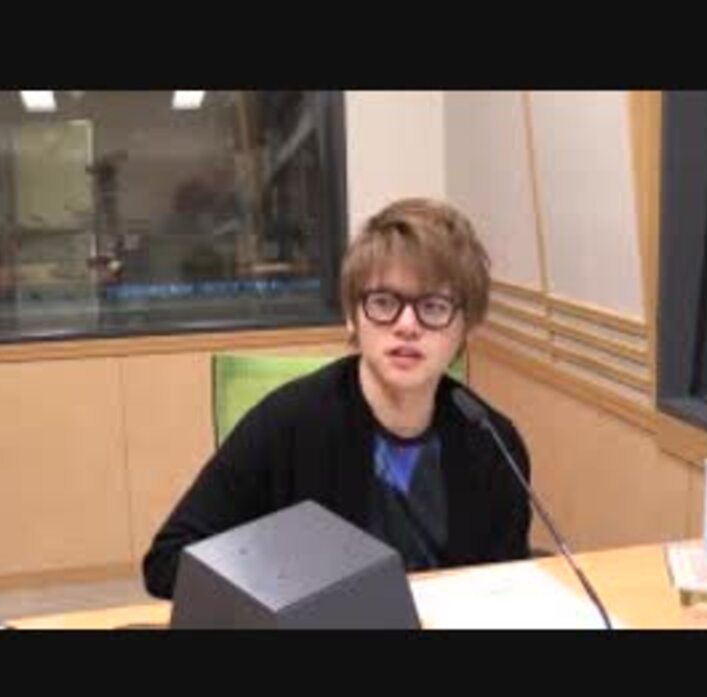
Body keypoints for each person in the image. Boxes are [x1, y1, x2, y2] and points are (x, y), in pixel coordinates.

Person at [142, 197, 533, 598]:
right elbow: (168, 562)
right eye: (384, 302)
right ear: (351, 316)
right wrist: (287, 587)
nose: (407, 325)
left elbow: (504, 587)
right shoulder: (287, 423)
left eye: (434, 307)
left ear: (467, 328)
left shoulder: (493, 442)